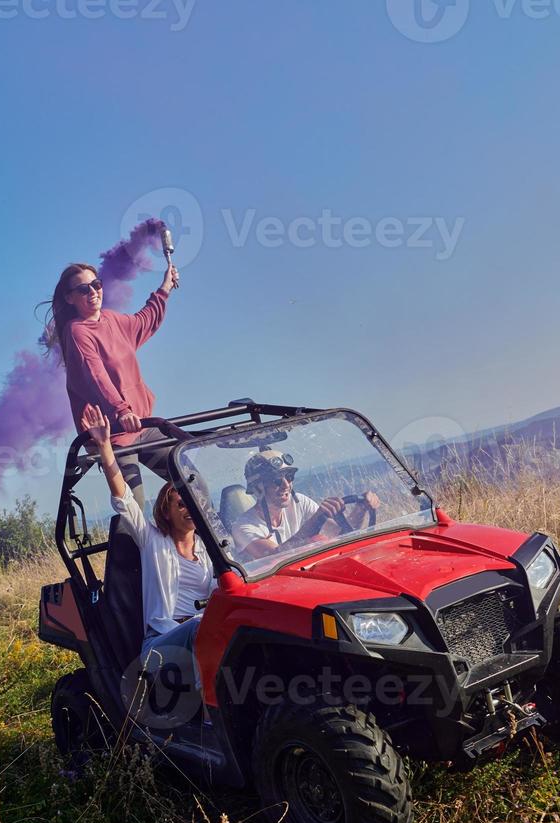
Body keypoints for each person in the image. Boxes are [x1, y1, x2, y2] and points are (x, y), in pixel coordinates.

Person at [81, 402, 210, 726]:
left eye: (191, 503)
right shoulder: (152, 540)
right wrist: (106, 447)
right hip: (163, 644)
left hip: (206, 627)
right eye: (179, 504)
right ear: (166, 511)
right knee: (199, 630)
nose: (187, 509)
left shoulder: (209, 548)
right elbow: (123, 497)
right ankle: (211, 722)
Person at [44, 261, 180, 505]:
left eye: (96, 285)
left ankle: (201, 541)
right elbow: (96, 376)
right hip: (113, 436)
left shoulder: (112, 320)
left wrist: (165, 288)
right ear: (69, 298)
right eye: (83, 289)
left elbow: (144, 321)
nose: (93, 292)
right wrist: (122, 409)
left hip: (143, 425)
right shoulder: (77, 332)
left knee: (190, 481)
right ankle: (127, 544)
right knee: (133, 506)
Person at [232, 450, 380, 560]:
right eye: (276, 480)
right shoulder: (244, 526)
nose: (286, 485)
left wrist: (361, 509)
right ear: (258, 487)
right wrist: (315, 521)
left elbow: (340, 533)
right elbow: (273, 557)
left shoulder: (299, 502)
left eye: (289, 477)